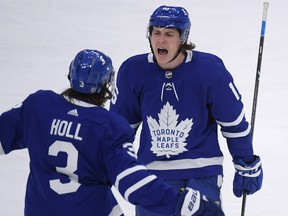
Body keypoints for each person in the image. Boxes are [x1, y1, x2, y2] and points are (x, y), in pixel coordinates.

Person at [0, 49, 225, 216]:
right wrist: (183, 203)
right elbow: (134, 183)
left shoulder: (39, 106)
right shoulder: (109, 127)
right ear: (106, 85)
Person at [110, 5, 263, 216]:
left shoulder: (210, 70)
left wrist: (245, 161)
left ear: (183, 38)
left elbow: (233, 122)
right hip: (152, 179)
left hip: (201, 173)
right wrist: (104, 166)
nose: (160, 40)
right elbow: (119, 131)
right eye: (156, 33)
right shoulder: (133, 71)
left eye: (169, 34)